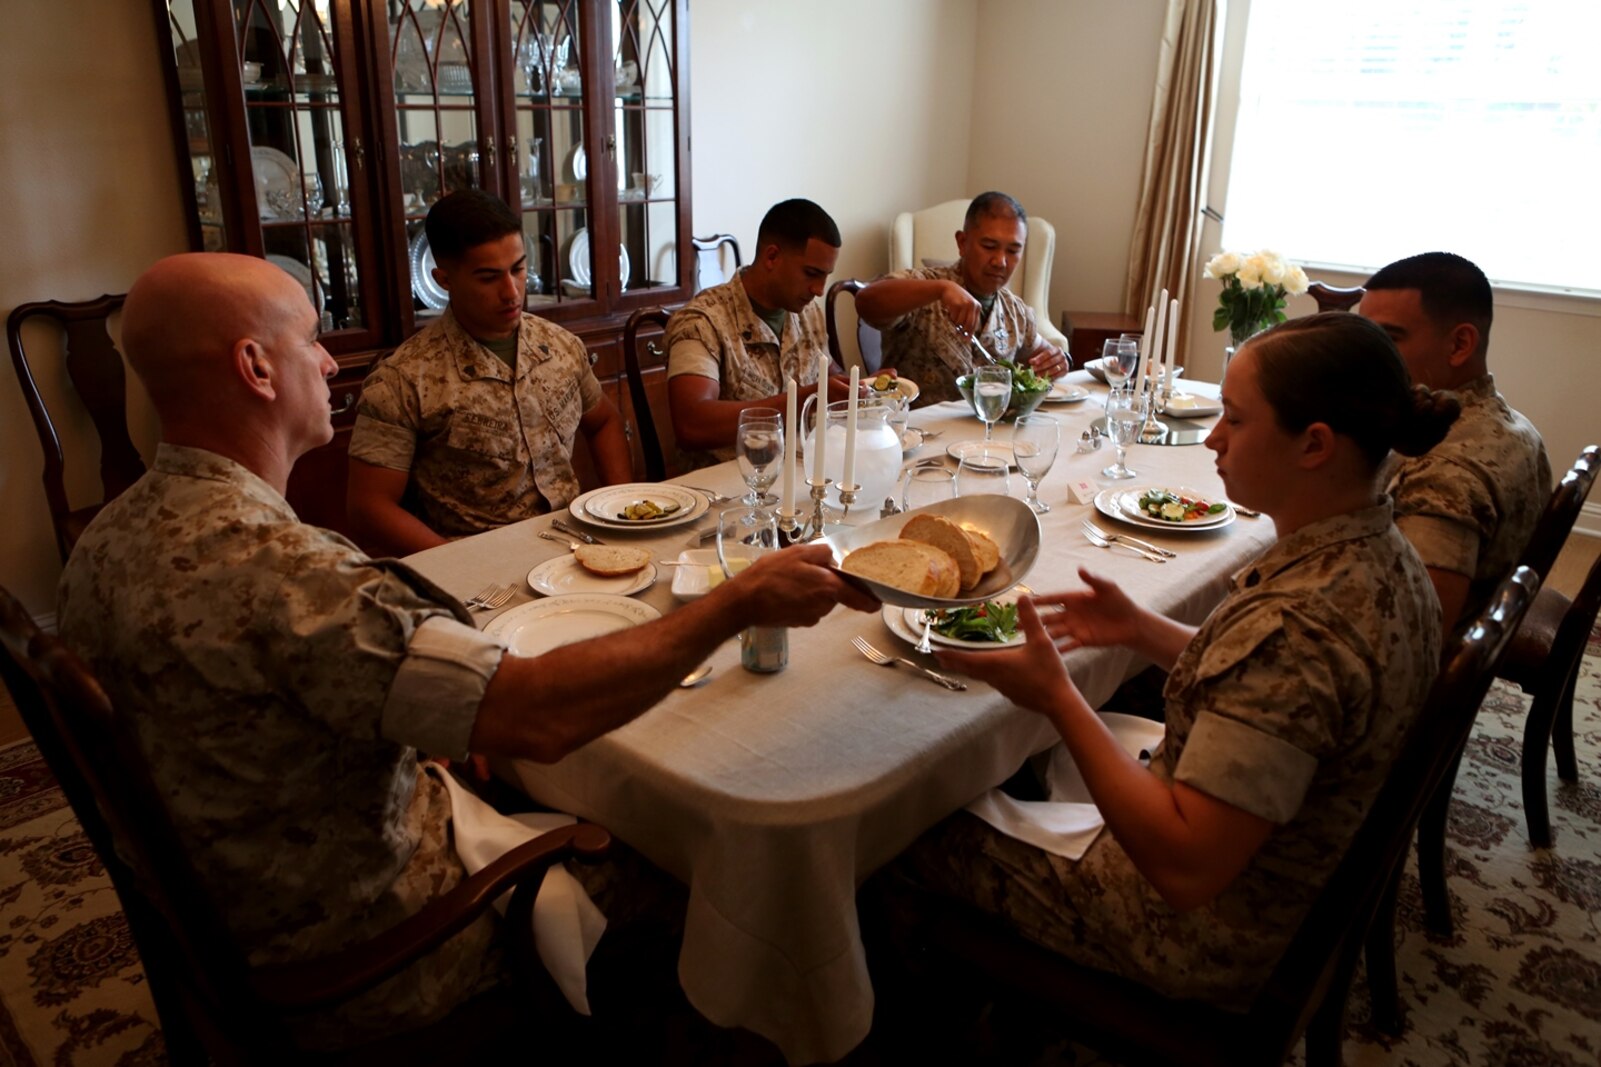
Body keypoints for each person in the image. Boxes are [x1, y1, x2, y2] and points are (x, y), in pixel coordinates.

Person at [55, 252, 878, 1046]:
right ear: (255, 368)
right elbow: (540, 717)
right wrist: (737, 602)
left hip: (222, 905)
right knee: (681, 852)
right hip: (365, 955)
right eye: (309, 341)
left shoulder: (104, 537)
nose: (328, 366)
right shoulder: (292, 574)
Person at [893, 312, 1458, 1009]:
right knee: (1016, 761)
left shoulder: (1298, 628)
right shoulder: (1382, 552)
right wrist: (1139, 630)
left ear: (1313, 444)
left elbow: (1183, 868)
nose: (1214, 440)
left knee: (907, 819)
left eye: (1235, 420)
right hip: (1278, 860)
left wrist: (1058, 699)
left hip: (1192, 930)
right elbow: (1272, 700)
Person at [347, 190, 634, 556]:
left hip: (574, 547)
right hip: (479, 567)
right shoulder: (403, 380)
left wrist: (618, 511)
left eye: (518, 268)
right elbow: (369, 508)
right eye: (488, 278)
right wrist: (459, 568)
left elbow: (605, 421)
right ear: (443, 279)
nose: (511, 291)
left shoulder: (560, 346)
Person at [1359, 252, 1551, 636]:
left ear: (1460, 344)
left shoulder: (1442, 474)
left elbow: (1412, 634)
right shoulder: (1508, 422)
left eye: (1388, 338)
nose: (1367, 358)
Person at [664, 198, 857, 467]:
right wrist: (800, 402)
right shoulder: (702, 321)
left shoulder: (807, 312)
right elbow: (692, 424)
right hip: (726, 490)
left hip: (801, 475)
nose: (819, 290)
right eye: (811, 273)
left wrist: (859, 388)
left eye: (825, 276)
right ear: (772, 257)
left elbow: (825, 371)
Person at [856, 191, 1069, 407]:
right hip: (916, 431)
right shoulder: (925, 284)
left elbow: (1042, 354)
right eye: (989, 247)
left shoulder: (1016, 311)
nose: (1001, 262)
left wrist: (1058, 361)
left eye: (1013, 250)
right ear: (962, 242)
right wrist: (940, 289)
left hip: (988, 433)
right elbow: (866, 301)